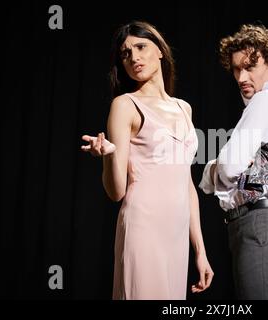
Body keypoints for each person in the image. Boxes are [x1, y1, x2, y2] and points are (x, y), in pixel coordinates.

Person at [81, 21, 213, 300]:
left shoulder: (184, 108)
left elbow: (186, 184)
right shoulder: (125, 105)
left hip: (176, 234)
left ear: (161, 51)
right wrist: (108, 154)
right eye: (125, 54)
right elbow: (116, 192)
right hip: (144, 225)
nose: (134, 58)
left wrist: (200, 252)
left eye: (140, 47)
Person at [199, 24, 268, 300]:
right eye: (236, 69)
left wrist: (212, 169)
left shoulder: (266, 100)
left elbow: (230, 166)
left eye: (250, 66)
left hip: (261, 223)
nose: (242, 77)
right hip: (263, 223)